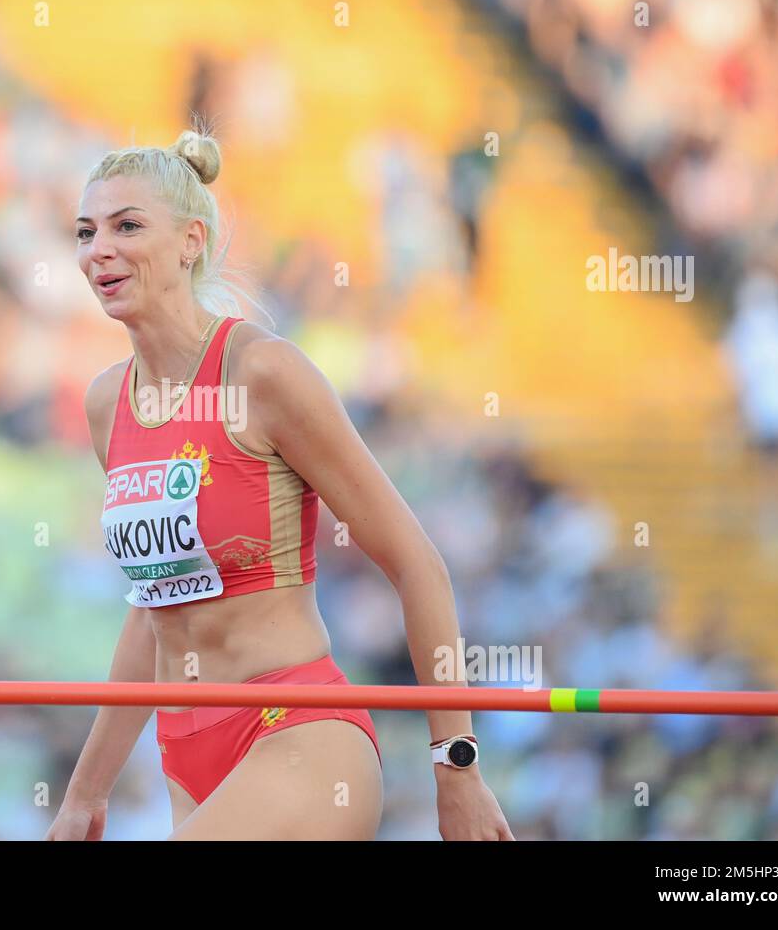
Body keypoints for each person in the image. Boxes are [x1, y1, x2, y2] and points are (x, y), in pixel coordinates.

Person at [45, 126, 512, 840]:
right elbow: (151, 612)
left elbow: (417, 565)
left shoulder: (263, 373)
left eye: (126, 226)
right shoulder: (107, 402)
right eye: (86, 232)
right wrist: (85, 793)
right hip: (185, 753)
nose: (98, 249)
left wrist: (458, 769)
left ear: (191, 241)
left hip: (297, 732)